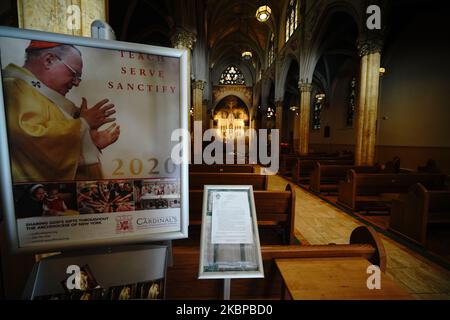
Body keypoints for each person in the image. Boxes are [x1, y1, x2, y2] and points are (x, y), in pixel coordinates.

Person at [2, 40, 120, 182]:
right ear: (49, 60)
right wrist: (84, 123)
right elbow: (31, 139)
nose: (76, 83)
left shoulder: (41, 93)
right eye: (74, 74)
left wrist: (89, 141)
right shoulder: (13, 88)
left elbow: (53, 150)